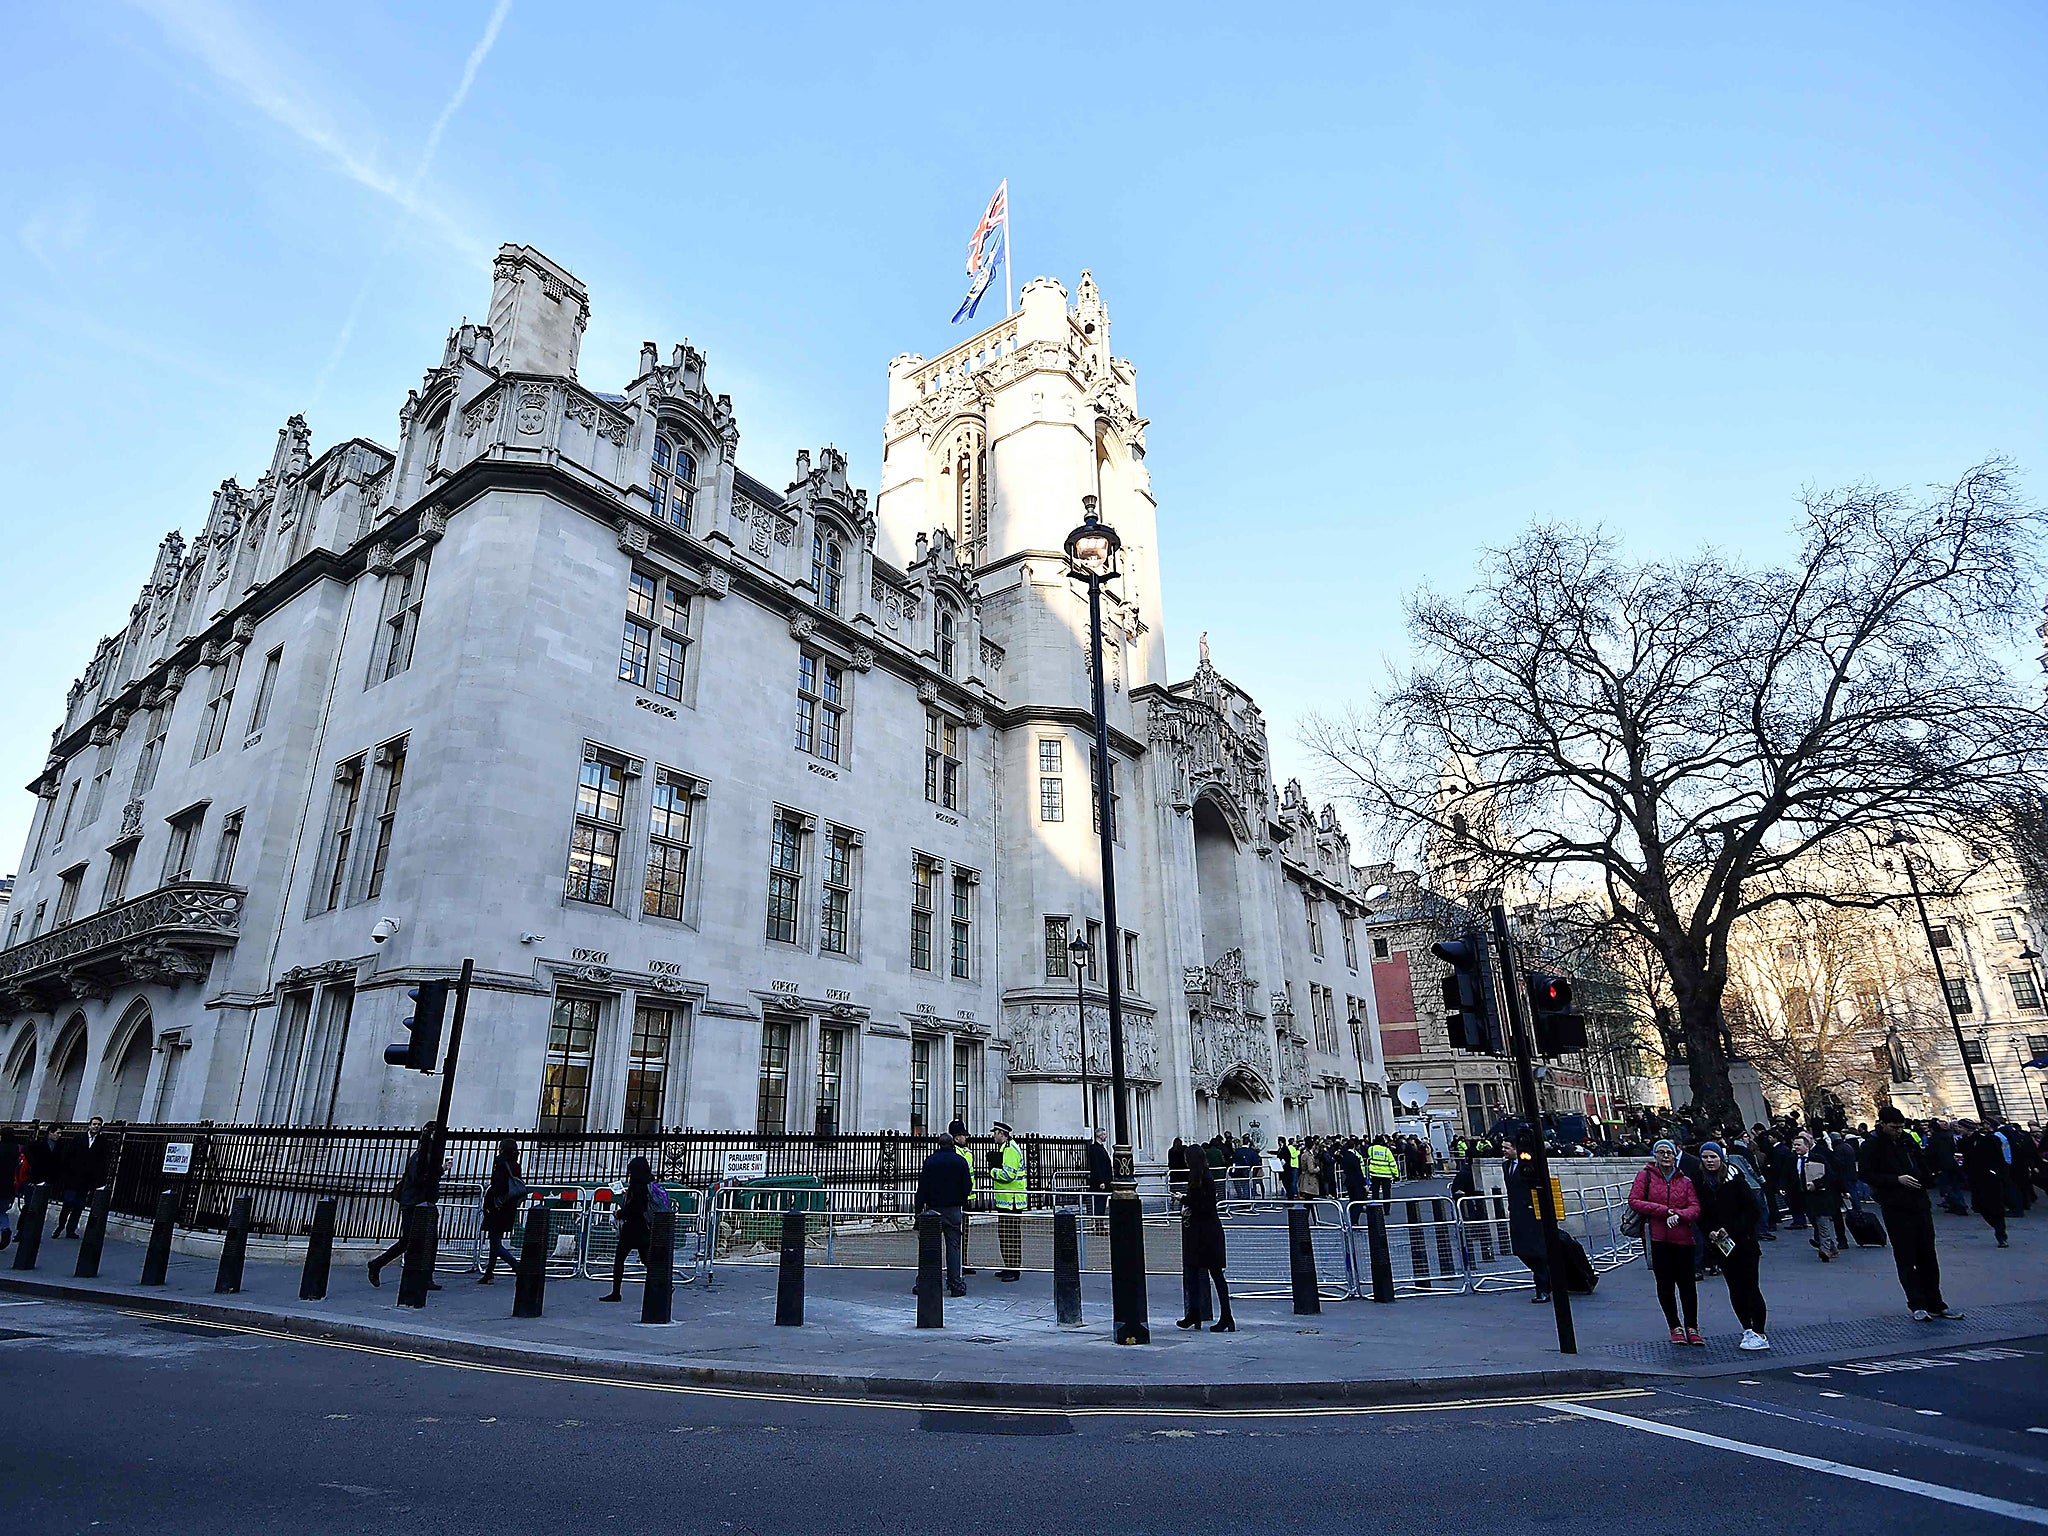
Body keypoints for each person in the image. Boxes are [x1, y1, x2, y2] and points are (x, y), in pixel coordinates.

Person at [1861, 1106, 1963, 1321]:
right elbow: (1866, 1173)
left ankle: (1935, 1302)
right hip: (1895, 1205)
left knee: (1928, 1255)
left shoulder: (1908, 1140)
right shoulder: (1873, 1144)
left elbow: (1922, 1162)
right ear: (1882, 1124)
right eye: (1893, 1127)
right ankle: (1916, 1303)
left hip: (1919, 1201)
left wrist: (1927, 1177)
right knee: (1906, 1257)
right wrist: (1895, 1180)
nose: (1898, 1131)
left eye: (1900, 1127)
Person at [1629, 1138, 1703, 1345]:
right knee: (1665, 1284)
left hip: (1683, 1239)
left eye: (1669, 1152)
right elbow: (1634, 1201)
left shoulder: (1685, 1180)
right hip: (1657, 1237)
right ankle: (1674, 1326)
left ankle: (1692, 1326)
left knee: (1688, 1286)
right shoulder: (1645, 1176)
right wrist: (1665, 1211)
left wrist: (1679, 1215)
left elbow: (1695, 1207)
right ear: (1655, 1155)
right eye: (1661, 1152)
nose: (1666, 1156)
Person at [1697, 1142, 1769, 1350]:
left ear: (1721, 1158)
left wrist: (1731, 1229)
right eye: (1706, 1157)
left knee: (1750, 1287)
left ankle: (1760, 1331)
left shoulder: (1736, 1181)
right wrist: (1709, 1230)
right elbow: (1701, 1214)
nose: (1710, 1161)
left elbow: (1753, 1211)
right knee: (1734, 1288)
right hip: (1720, 1245)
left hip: (1743, 1242)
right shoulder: (1701, 1183)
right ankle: (1747, 1328)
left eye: (1713, 1157)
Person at [368, 1126, 443, 1291]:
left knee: (430, 1240)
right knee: (408, 1241)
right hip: (414, 1204)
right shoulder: (420, 1157)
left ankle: (426, 1277)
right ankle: (377, 1264)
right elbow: (419, 1180)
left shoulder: (427, 1156)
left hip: (422, 1203)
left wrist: (440, 1170)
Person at [1175, 1149, 1236, 1333]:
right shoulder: (1197, 1177)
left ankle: (1226, 1316)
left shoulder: (1205, 1179)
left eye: (1187, 1158)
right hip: (1200, 1232)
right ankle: (1194, 1313)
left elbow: (1205, 1206)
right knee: (1193, 1272)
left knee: (1215, 1274)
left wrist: (1184, 1200)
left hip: (1207, 1233)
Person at [912, 1120, 973, 1298]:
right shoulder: (960, 1161)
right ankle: (955, 1284)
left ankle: (925, 1282)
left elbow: (921, 1189)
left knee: (930, 1247)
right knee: (954, 1247)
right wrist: (960, 1200)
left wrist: (918, 1212)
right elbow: (967, 1186)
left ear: (938, 1145)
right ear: (952, 1143)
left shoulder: (930, 1161)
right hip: (953, 1209)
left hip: (933, 1210)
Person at [600, 1156, 656, 1302]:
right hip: (644, 1226)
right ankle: (662, 1284)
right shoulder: (649, 1182)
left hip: (633, 1227)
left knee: (620, 1257)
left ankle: (616, 1292)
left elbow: (635, 1208)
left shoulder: (638, 1186)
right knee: (646, 1259)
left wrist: (620, 1213)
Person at [1502, 1138, 1551, 1303]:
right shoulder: (1506, 1166)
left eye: (1506, 1148)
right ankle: (1547, 1277)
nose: (1503, 1150)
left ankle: (1543, 1288)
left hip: (1531, 1212)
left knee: (1536, 1251)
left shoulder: (1529, 1164)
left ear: (1516, 1149)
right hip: (1516, 1212)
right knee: (1519, 1250)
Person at [55, 1117, 111, 1238]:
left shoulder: (102, 1141)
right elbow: (69, 1156)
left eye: (99, 1125)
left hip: (87, 1181)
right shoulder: (79, 1138)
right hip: (73, 1178)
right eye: (94, 1124)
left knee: (79, 1207)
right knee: (67, 1204)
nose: (96, 1126)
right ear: (89, 1125)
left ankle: (71, 1230)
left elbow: (102, 1162)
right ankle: (60, 1226)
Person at [479, 1136, 525, 1282]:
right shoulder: (516, 1165)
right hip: (510, 1205)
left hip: (498, 1206)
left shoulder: (500, 1163)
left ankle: (517, 1266)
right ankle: (489, 1273)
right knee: (494, 1241)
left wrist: (489, 1200)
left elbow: (498, 1187)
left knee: (496, 1242)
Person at [988, 1120, 1028, 1281]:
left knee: (1010, 1235)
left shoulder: (1010, 1150)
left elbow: (1008, 1175)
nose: (993, 1136)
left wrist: (993, 1171)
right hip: (1008, 1200)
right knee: (1006, 1234)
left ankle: (1013, 1269)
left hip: (1011, 1201)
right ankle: (1009, 1266)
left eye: (995, 1133)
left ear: (1002, 1134)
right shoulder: (1006, 1148)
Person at [1959, 1121, 2009, 1248]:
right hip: (1974, 1178)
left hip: (1989, 1178)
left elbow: (1998, 1158)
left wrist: (1997, 1173)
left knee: (1995, 1206)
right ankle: (1996, 1225)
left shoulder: (1986, 1140)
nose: (1958, 1129)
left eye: (1960, 1127)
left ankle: (2000, 1233)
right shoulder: (1963, 1142)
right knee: (1980, 1207)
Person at [1792, 1132, 1840, 1261]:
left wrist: (1817, 1184)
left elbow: (1830, 1175)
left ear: (1806, 1146)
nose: (1795, 1147)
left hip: (1820, 1196)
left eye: (1798, 1145)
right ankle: (1832, 1247)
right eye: (1794, 1145)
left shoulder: (1818, 1158)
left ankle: (1825, 1250)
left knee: (1822, 1222)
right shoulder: (1792, 1160)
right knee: (1815, 1223)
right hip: (1805, 1198)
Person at [1084, 1128, 1113, 1219]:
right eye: (1104, 1134)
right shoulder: (1095, 1149)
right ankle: (1098, 1224)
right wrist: (1101, 1181)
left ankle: (1100, 1224)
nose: (1106, 1136)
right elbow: (1096, 1167)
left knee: (1102, 1203)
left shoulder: (1101, 1148)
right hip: (1100, 1183)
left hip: (1105, 1180)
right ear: (1099, 1136)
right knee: (1099, 1204)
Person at [0, 1126, 19, 1251]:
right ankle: (5, 1228)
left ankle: (5, 1229)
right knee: (2, 1211)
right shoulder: (15, 1149)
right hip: (7, 1186)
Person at [1367, 1137, 1399, 1201]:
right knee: (1386, 1193)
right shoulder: (1387, 1150)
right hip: (1386, 1174)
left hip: (1374, 1173)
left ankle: (1376, 1207)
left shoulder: (1371, 1149)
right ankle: (1386, 1209)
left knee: (1375, 1192)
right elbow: (1392, 1163)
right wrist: (1396, 1174)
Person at [1167, 1137, 1190, 1203]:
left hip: (1174, 1175)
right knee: (1183, 1192)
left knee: (1174, 1192)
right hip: (1183, 1174)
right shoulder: (1183, 1150)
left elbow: (1170, 1163)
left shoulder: (1171, 1151)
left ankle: (1173, 1206)